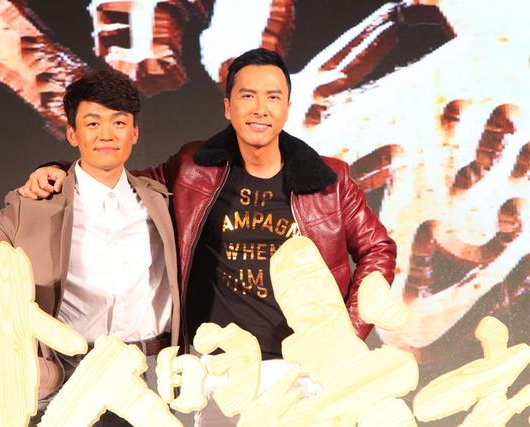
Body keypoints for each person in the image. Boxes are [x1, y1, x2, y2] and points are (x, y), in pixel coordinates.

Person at [20, 48, 397, 425]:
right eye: (247, 96)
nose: (260, 109)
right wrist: (59, 170)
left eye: (273, 97)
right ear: (228, 106)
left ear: (287, 107)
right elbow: (121, 182)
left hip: (306, 371)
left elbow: (377, 248)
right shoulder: (194, 167)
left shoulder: (329, 180)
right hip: (220, 370)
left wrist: (344, 335)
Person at [0, 69, 180, 426]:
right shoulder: (35, 204)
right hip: (68, 373)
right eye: (92, 123)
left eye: (118, 123)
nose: (106, 134)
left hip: (146, 371)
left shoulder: (161, 201)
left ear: (134, 133)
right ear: (72, 134)